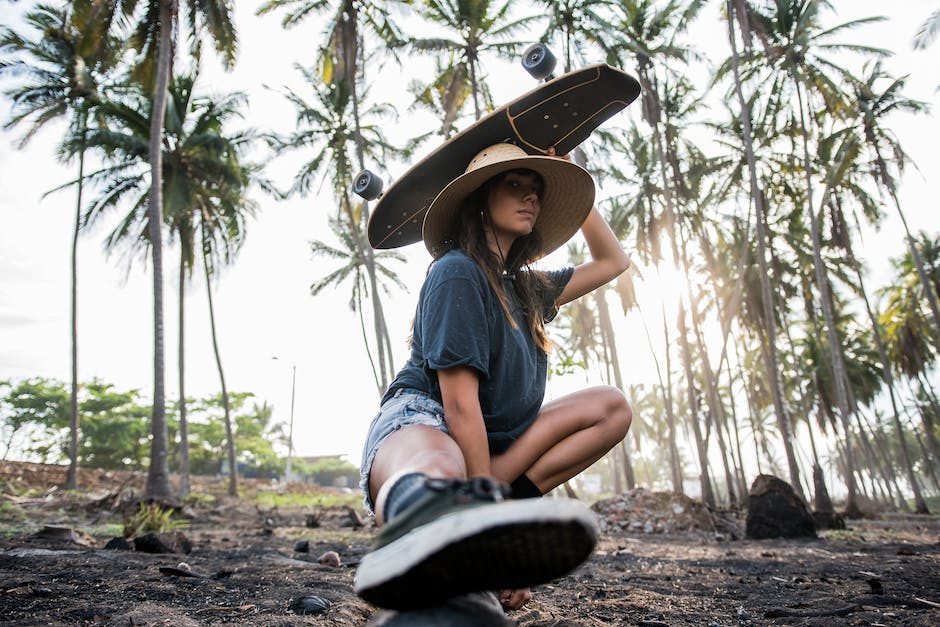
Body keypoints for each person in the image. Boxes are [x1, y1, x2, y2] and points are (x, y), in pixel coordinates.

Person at [354, 142, 633, 613]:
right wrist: (493, 535)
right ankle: (437, 541)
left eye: (539, 189)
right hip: (426, 424)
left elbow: (613, 262)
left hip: (490, 451)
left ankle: (472, 522)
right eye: (515, 183)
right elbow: (459, 407)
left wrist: (574, 177)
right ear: (481, 196)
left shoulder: (528, 287)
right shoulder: (457, 271)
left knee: (611, 406)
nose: (531, 197)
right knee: (441, 471)